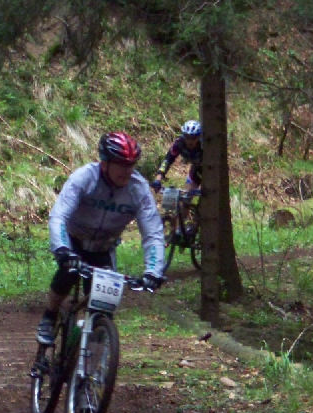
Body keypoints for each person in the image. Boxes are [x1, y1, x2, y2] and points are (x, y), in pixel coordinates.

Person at [35, 132, 165, 345]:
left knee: (102, 309)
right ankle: (50, 316)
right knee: (66, 274)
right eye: (121, 164)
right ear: (105, 163)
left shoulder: (138, 188)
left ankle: (92, 358)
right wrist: (62, 249)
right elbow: (59, 215)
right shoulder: (85, 177)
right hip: (74, 241)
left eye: (131, 165)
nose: (127, 170)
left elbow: (153, 233)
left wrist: (154, 270)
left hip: (103, 248)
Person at [151, 119, 203, 193]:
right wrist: (158, 179)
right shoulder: (179, 144)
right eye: (187, 136)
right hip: (196, 170)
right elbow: (167, 160)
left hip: (211, 171)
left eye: (193, 137)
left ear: (198, 137)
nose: (190, 141)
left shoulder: (203, 145)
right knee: (186, 196)